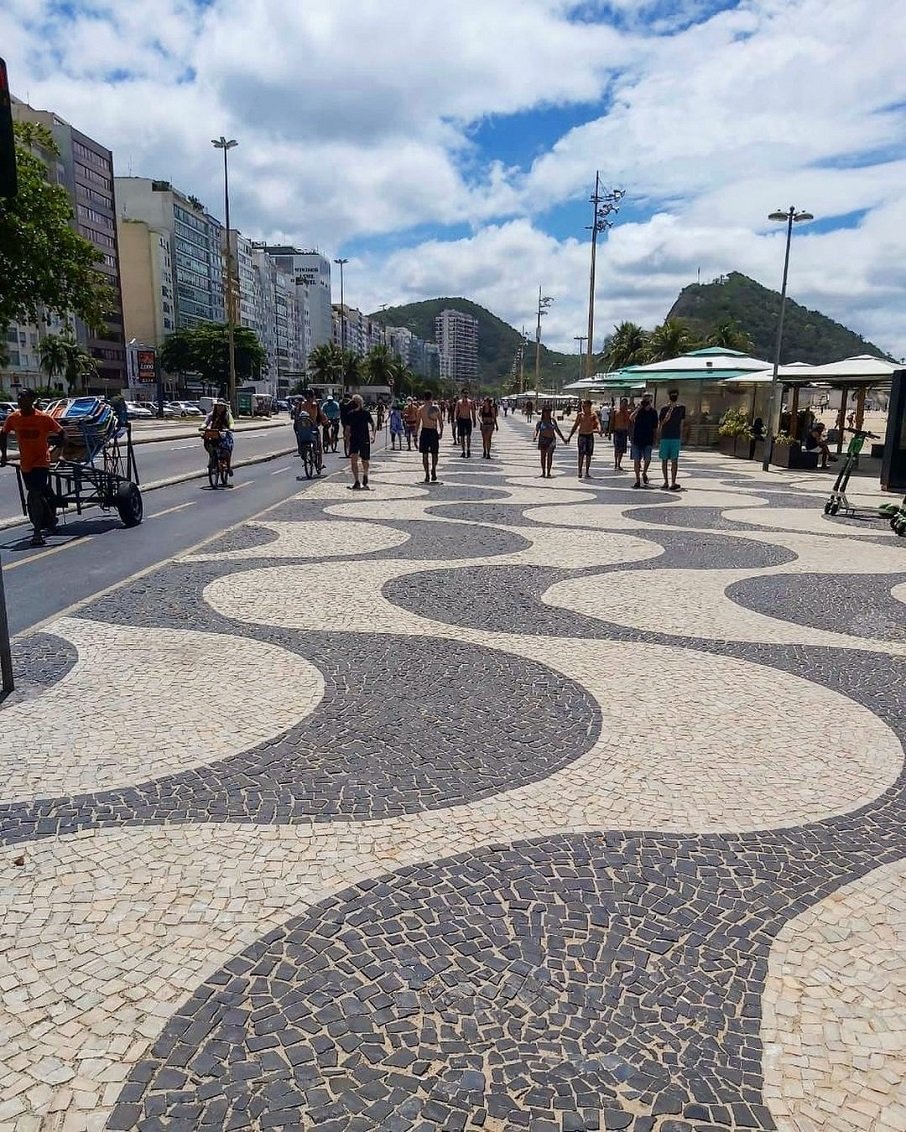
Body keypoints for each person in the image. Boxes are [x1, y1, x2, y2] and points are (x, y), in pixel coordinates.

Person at [0, 389, 64, 546]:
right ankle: (51, 520)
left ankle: (37, 534)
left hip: (41, 462)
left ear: (32, 400)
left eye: (24, 396)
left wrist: (59, 449)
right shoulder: (13, 418)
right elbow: (3, 434)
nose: (20, 399)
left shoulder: (43, 418)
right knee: (37, 493)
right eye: (19, 397)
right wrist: (3, 455)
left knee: (34, 494)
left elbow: (61, 432)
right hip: (26, 464)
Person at [345, 394, 376, 489]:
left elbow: (372, 424)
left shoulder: (365, 413)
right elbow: (347, 429)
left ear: (359, 403)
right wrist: (347, 441)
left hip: (364, 438)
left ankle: (365, 474)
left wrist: (373, 435)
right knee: (353, 460)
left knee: (365, 460)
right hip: (354, 439)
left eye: (355, 401)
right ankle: (356, 481)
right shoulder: (350, 414)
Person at [657, 388, 685, 491]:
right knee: (664, 460)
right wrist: (666, 419)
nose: (674, 397)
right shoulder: (664, 409)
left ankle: (673, 481)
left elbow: (682, 423)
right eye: (672, 395)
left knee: (674, 460)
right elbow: (660, 424)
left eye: (675, 395)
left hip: (675, 437)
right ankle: (666, 481)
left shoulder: (681, 408)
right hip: (665, 436)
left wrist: (681, 436)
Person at [566, 399, 602, 479]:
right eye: (583, 406)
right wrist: (569, 437)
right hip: (582, 436)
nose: (583, 407)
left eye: (585, 406)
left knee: (588, 455)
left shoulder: (593, 415)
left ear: (589, 406)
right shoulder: (580, 415)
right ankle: (579, 471)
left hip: (589, 436)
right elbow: (575, 426)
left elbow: (597, 422)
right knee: (581, 454)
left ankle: (587, 472)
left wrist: (599, 429)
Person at [629, 393, 658, 489]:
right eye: (644, 400)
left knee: (647, 459)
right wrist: (638, 408)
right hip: (637, 438)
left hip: (648, 438)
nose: (646, 402)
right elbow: (631, 418)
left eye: (648, 400)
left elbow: (655, 427)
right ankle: (637, 479)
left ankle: (644, 472)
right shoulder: (638, 411)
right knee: (636, 460)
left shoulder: (653, 412)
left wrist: (655, 439)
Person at [202, 400, 235, 478]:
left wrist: (230, 428)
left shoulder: (227, 414)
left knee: (227, 449)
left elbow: (231, 423)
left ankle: (228, 466)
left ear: (224, 407)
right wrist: (203, 427)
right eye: (218, 406)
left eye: (221, 406)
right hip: (214, 432)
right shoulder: (211, 414)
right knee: (206, 439)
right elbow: (206, 422)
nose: (220, 408)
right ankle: (212, 458)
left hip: (224, 433)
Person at [417, 390, 444, 483]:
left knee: (425, 454)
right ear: (431, 397)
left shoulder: (421, 409)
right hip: (433, 431)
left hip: (425, 431)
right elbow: (440, 421)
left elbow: (418, 423)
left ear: (424, 398)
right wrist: (441, 432)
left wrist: (415, 434)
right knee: (434, 453)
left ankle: (427, 474)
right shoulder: (436, 408)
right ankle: (433, 469)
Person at [533, 404, 566, 478]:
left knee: (550, 456)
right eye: (546, 411)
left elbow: (557, 430)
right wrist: (535, 436)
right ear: (543, 412)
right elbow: (536, 430)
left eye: (549, 411)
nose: (548, 413)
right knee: (543, 456)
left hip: (551, 440)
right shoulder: (540, 422)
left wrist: (563, 438)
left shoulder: (553, 421)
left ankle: (548, 472)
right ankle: (543, 472)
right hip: (543, 439)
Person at [611, 397, 631, 471]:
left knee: (622, 449)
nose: (624, 405)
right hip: (617, 431)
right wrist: (610, 433)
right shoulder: (616, 412)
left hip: (624, 432)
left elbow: (630, 423)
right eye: (623, 404)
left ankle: (619, 463)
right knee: (616, 448)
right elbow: (612, 422)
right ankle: (616, 463)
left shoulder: (627, 413)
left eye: (626, 404)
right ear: (621, 404)